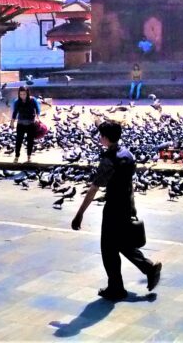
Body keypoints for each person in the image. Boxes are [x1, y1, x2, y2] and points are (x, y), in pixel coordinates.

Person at [71, 120, 161, 301]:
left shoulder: (108, 160)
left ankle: (116, 287)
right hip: (127, 203)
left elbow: (94, 188)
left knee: (108, 248)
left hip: (113, 207)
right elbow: (128, 182)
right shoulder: (127, 155)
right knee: (121, 243)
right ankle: (148, 268)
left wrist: (79, 214)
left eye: (100, 135)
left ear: (105, 138)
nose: (99, 138)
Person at [10, 86, 42, 163]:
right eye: (21, 94)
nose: (22, 96)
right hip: (21, 124)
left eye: (24, 94)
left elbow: (37, 110)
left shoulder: (32, 100)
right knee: (18, 141)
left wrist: (38, 118)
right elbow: (15, 113)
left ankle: (29, 157)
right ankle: (17, 157)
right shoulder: (17, 102)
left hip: (31, 123)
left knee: (30, 141)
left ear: (27, 93)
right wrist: (12, 122)